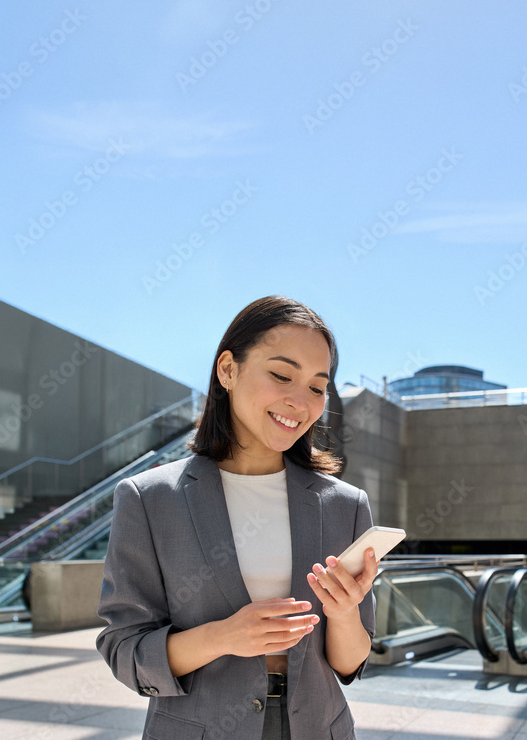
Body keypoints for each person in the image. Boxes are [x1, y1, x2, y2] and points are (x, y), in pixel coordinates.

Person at [96, 294, 378, 740]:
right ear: (228, 369)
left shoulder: (345, 505)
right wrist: (224, 637)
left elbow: (351, 662)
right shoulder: (149, 499)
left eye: (317, 386)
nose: (299, 402)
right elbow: (123, 649)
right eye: (282, 375)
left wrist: (344, 616)